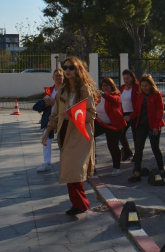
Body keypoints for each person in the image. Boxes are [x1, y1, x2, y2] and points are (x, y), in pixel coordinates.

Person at [42, 57, 98, 215]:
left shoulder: (84, 89)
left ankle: (80, 204)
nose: (67, 70)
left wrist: (73, 114)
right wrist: (47, 132)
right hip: (65, 133)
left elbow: (91, 114)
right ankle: (80, 203)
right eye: (64, 67)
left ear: (78, 69)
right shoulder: (62, 90)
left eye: (71, 67)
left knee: (73, 170)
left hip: (80, 134)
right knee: (70, 171)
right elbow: (54, 115)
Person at [127, 75, 165, 183]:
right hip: (141, 125)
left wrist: (156, 126)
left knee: (155, 148)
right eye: (142, 85)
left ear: (151, 85)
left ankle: (161, 170)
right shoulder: (140, 95)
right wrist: (129, 116)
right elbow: (136, 111)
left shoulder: (157, 95)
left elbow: (160, 111)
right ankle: (137, 173)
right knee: (138, 149)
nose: (144, 88)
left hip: (153, 125)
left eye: (146, 85)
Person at [93, 77, 128, 176]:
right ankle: (92, 162)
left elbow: (115, 101)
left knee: (112, 146)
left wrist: (103, 94)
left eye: (107, 85)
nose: (105, 87)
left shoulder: (116, 95)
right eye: (103, 85)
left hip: (114, 125)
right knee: (89, 136)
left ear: (112, 86)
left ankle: (116, 167)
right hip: (100, 123)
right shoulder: (98, 96)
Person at [37, 67, 64, 172]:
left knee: (63, 141)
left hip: (62, 118)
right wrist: (45, 103)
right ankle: (47, 162)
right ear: (53, 78)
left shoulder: (66, 90)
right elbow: (45, 100)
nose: (58, 77)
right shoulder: (50, 90)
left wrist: (56, 103)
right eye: (57, 75)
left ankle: (66, 162)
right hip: (51, 118)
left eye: (60, 76)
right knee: (47, 139)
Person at [119, 70, 139, 161]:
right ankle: (127, 151)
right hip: (124, 114)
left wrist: (132, 115)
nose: (126, 80)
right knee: (120, 133)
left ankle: (137, 156)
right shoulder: (122, 87)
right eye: (124, 78)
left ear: (132, 78)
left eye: (128, 78)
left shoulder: (137, 87)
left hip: (134, 114)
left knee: (136, 136)